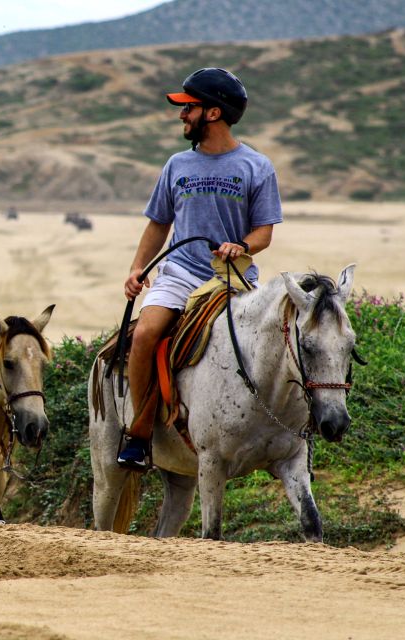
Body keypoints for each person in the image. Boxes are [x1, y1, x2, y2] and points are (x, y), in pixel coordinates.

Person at [117, 68, 284, 470]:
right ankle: (139, 435)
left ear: (212, 113)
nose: (181, 116)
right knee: (144, 334)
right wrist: (138, 268)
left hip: (233, 279)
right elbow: (158, 223)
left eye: (187, 108)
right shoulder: (177, 165)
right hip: (180, 273)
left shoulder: (256, 166)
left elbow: (264, 233)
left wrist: (241, 245)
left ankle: (275, 429)